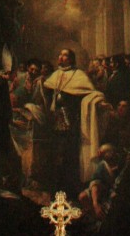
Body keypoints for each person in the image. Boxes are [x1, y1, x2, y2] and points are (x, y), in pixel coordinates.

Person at [43, 47, 107, 199]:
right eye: (60, 54)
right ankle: (55, 190)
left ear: (71, 59)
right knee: (55, 156)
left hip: (72, 123)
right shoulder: (55, 75)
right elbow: (47, 93)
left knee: (69, 156)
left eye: (65, 55)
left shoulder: (79, 76)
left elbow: (90, 95)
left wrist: (98, 103)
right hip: (55, 122)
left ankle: (69, 191)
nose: (62, 57)